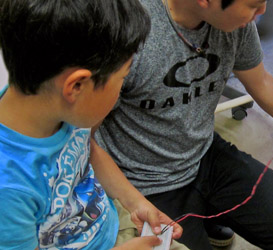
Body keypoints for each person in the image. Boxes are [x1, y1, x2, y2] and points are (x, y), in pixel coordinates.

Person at [94, 0, 273, 249]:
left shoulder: (238, 24)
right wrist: (134, 203)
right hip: (145, 181)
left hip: (204, 155)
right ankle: (201, 215)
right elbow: (84, 140)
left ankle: (206, 212)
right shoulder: (129, 32)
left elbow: (259, 79)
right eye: (254, 5)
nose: (262, 12)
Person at [0, 0, 190, 249]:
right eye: (122, 78)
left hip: (110, 220)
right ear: (77, 86)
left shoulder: (54, 106)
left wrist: (137, 203)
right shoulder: (10, 187)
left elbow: (87, 150)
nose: (123, 85)